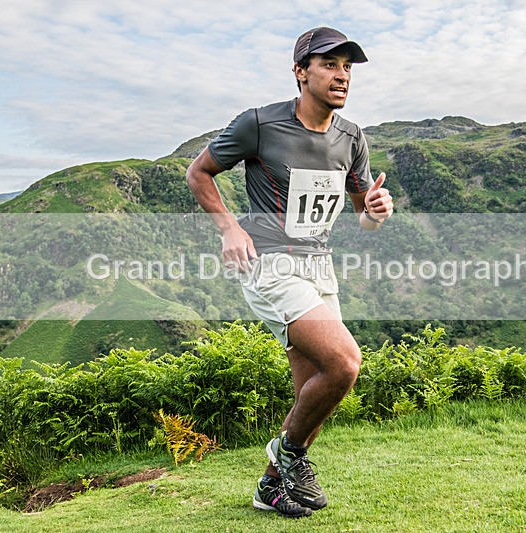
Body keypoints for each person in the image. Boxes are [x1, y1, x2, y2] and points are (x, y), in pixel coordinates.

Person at [186, 26, 393, 518]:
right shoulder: (258, 124)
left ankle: (271, 487)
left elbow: (363, 215)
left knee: (312, 388)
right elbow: (199, 172)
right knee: (344, 363)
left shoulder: (352, 137)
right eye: (329, 65)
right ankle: (288, 455)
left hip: (320, 266)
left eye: (347, 67)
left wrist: (376, 211)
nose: (341, 75)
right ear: (301, 73)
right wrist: (229, 229)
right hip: (271, 262)